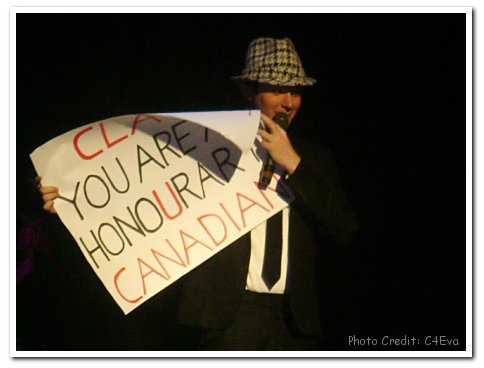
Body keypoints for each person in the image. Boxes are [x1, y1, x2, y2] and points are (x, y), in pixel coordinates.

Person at [37, 37, 357, 350]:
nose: (290, 101)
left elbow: (343, 229)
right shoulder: (207, 147)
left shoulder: (314, 160)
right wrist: (73, 202)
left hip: (295, 325)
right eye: (276, 89)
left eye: (296, 91)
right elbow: (139, 201)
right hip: (228, 318)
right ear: (248, 91)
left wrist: (294, 164)